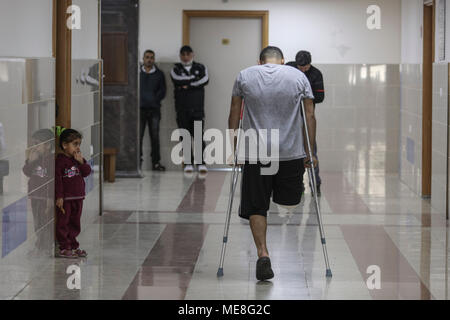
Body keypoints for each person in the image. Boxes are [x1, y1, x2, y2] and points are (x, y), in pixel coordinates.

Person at [229, 46, 316, 281]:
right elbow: (309, 114)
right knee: (290, 200)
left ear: (259, 61)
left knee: (257, 206)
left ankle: (262, 253)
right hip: (290, 153)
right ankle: (265, 254)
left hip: (256, 153)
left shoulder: (245, 75)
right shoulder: (299, 76)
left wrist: (233, 147)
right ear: (283, 60)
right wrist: (310, 152)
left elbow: (235, 109)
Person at [286, 50, 324, 195]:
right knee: (292, 152)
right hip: (289, 116)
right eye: (300, 67)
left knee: (310, 149)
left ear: (310, 64)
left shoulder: (316, 74)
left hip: (306, 116)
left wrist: (306, 95)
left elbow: (320, 97)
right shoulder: (289, 68)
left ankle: (315, 183)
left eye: (305, 67)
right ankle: (297, 183)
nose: (302, 70)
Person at [170, 45, 209, 173]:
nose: (186, 57)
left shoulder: (201, 67)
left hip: (197, 109)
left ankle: (201, 163)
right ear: (180, 56)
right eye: (183, 54)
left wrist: (188, 85)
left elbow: (205, 79)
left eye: (188, 54)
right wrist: (194, 81)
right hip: (182, 109)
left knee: (198, 135)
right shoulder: (176, 69)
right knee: (185, 136)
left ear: (192, 54)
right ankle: (188, 163)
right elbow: (177, 80)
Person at [55, 129, 91, 258]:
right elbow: (58, 181)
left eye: (79, 144)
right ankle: (64, 247)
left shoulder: (78, 159)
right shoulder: (60, 161)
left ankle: (74, 246)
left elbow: (87, 172)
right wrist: (59, 197)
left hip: (78, 197)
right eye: (75, 144)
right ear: (65, 145)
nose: (78, 148)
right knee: (63, 223)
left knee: (75, 223)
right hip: (66, 199)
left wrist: (81, 162)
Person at [23, 129, 55, 253]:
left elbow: (52, 181)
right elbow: (26, 171)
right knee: (37, 223)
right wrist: (31, 161)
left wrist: (50, 198)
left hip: (45, 198)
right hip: (35, 197)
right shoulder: (35, 158)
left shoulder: (52, 160)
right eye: (33, 144)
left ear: (48, 145)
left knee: (46, 223)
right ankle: (40, 245)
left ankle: (45, 247)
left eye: (37, 144)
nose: (34, 147)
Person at [140, 49, 167, 171]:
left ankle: (156, 163)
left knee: (155, 137)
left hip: (154, 110)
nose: (149, 59)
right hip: (139, 109)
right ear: (143, 58)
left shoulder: (159, 74)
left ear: (154, 59)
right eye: (147, 57)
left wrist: (154, 100)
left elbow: (163, 91)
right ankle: (137, 162)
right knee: (138, 136)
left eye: (151, 57)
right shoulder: (137, 73)